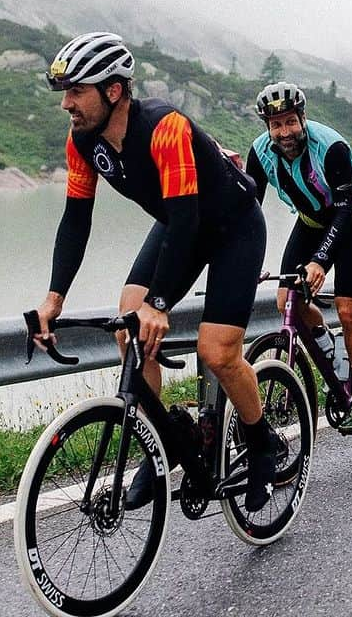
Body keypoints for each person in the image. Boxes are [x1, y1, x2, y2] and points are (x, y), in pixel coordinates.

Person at [32, 32, 280, 511]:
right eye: (64, 93)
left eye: (76, 91)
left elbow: (188, 219)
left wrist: (161, 303)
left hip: (232, 228)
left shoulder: (165, 127)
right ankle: (166, 437)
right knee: (129, 325)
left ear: (113, 90)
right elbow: (76, 218)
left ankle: (261, 439)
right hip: (178, 224)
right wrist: (54, 298)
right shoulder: (82, 142)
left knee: (218, 350)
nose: (66, 104)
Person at [245, 81, 352, 433]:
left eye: (290, 122)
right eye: (275, 125)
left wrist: (319, 261)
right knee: (286, 298)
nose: (284, 132)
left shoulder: (330, 148)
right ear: (267, 127)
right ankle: (330, 350)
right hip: (313, 220)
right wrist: (245, 261)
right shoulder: (261, 153)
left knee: (348, 309)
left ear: (303, 118)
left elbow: (344, 211)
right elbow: (248, 212)